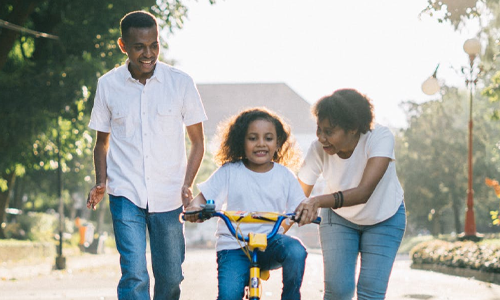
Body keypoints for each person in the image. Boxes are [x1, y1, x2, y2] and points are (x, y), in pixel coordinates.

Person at [86, 11, 207, 300]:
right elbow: (101, 143)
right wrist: (101, 182)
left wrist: (188, 184)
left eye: (154, 45)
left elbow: (198, 142)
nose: (148, 53)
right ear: (123, 46)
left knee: (170, 276)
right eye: (139, 46)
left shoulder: (181, 83)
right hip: (125, 193)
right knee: (134, 274)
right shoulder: (108, 85)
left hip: (169, 196)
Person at [184, 107, 308, 300]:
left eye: (268, 138)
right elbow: (201, 200)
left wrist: (303, 214)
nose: (261, 144)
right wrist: (194, 210)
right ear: (241, 141)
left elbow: (300, 207)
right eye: (252, 138)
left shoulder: (285, 176)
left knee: (296, 250)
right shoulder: (229, 171)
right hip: (234, 245)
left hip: (271, 242)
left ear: (278, 143)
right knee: (229, 295)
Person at [294, 89, 406, 300]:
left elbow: (363, 192)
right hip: (339, 219)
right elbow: (296, 198)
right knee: (338, 291)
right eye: (319, 129)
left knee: (371, 292)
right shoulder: (318, 148)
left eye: (329, 131)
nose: (321, 138)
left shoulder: (380, 137)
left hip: (385, 218)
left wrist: (316, 201)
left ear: (353, 129)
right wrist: (271, 231)